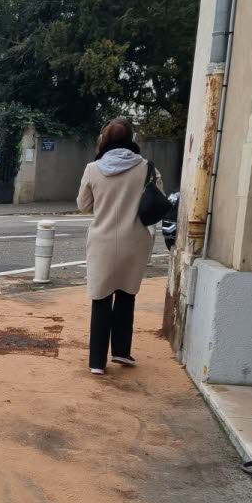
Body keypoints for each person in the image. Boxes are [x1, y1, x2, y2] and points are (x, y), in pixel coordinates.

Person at [77, 118, 162, 375]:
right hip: (135, 240)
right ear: (132, 138)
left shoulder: (92, 169)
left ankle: (97, 362)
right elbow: (156, 201)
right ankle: (122, 351)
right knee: (127, 294)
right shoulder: (147, 168)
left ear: (104, 140)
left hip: (102, 241)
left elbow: (84, 206)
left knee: (101, 297)